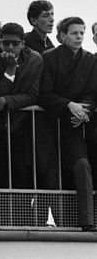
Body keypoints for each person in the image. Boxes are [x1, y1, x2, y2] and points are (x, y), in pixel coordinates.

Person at [38, 17, 97, 231]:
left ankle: (87, 221)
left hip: (74, 125)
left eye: (81, 33)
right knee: (49, 173)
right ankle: (45, 223)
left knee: (82, 164)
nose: (79, 37)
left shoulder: (90, 59)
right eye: (74, 33)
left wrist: (84, 111)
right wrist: (69, 104)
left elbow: (92, 92)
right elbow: (44, 94)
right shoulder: (49, 57)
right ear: (63, 36)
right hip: (48, 125)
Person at [0, 22, 55, 189]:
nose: (9, 47)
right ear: (0, 42)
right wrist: (10, 70)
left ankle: (22, 216)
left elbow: (32, 96)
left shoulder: (34, 59)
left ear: (22, 43)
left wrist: (7, 101)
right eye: (5, 42)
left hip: (22, 129)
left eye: (15, 43)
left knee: (22, 179)